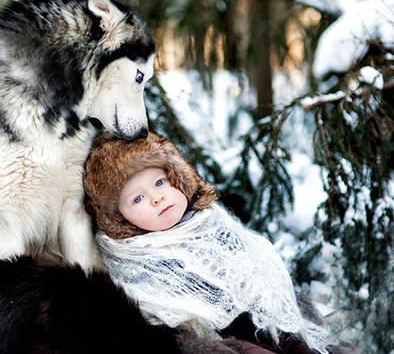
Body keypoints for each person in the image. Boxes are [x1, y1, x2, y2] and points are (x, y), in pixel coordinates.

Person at [83, 132, 356, 354]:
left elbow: (257, 273)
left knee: (319, 345)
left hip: (257, 318)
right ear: (117, 217)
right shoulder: (132, 260)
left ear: (178, 177)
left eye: (160, 182)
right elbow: (162, 323)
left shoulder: (210, 222)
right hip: (211, 339)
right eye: (137, 199)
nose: (157, 198)